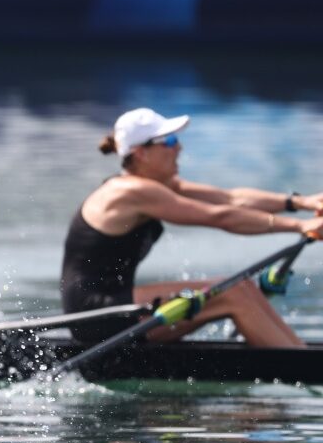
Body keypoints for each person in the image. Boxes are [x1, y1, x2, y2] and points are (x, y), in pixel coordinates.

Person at [60, 108, 323, 347]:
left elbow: (230, 198)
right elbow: (220, 217)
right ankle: (302, 364)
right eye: (170, 142)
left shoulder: (158, 186)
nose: (179, 148)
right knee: (233, 292)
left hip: (118, 306)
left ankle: (297, 353)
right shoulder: (130, 192)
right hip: (97, 314)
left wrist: (300, 201)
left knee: (242, 288)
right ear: (141, 153)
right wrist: (301, 226)